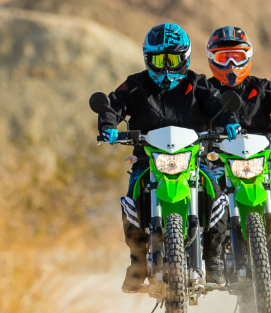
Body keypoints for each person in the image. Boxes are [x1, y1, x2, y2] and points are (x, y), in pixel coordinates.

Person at [98, 23, 236, 293]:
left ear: (184, 58)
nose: (165, 68)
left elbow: (219, 104)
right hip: (148, 160)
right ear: (147, 59)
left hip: (193, 160)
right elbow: (114, 104)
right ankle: (137, 263)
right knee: (131, 198)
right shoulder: (136, 85)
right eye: (158, 60)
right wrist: (108, 126)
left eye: (171, 60)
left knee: (217, 193)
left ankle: (214, 259)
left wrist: (230, 121)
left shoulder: (198, 84)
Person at [203, 25, 271, 285]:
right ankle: (210, 260)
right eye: (223, 57)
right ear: (211, 59)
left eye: (237, 57)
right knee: (206, 201)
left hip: (263, 162)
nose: (230, 64)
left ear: (248, 57)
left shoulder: (261, 89)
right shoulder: (203, 91)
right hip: (219, 163)